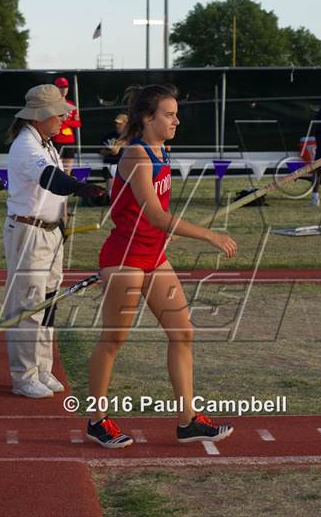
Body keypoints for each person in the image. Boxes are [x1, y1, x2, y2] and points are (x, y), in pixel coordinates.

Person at [87, 84, 237, 449]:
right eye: (168, 114)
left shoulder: (161, 150)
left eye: (175, 113)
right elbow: (154, 214)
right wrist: (207, 235)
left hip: (153, 257)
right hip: (125, 258)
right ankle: (97, 419)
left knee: (182, 333)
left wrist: (169, 237)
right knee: (114, 340)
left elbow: (153, 215)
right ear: (147, 118)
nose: (176, 120)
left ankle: (188, 421)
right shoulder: (137, 155)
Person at [3, 84, 105, 399]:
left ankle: (42, 367)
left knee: (48, 304)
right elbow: (50, 178)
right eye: (58, 113)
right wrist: (81, 188)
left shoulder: (46, 142)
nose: (63, 118)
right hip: (29, 233)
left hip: (50, 232)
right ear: (41, 116)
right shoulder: (26, 146)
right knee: (28, 307)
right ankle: (23, 376)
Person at [51, 77, 81, 175]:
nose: (64, 89)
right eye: (61, 87)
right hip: (57, 140)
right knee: (57, 169)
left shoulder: (71, 105)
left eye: (66, 87)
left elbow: (78, 124)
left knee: (67, 171)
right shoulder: (52, 104)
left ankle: (66, 190)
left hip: (70, 141)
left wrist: (64, 121)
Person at [100, 113, 128, 192]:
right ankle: (110, 197)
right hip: (110, 164)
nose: (117, 126)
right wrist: (110, 151)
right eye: (116, 123)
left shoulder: (132, 136)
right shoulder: (109, 136)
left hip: (126, 165)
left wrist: (118, 147)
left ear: (126, 124)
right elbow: (102, 151)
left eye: (120, 124)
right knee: (111, 189)